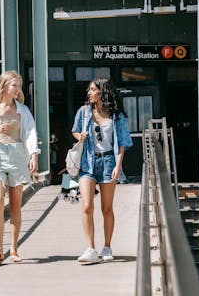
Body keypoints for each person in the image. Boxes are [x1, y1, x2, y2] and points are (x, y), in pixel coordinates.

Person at [0, 70, 40, 265]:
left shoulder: (23, 110)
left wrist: (33, 155)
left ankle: (14, 248)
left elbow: (30, 133)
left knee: (15, 205)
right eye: (14, 85)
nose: (18, 89)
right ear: (4, 86)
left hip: (17, 155)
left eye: (19, 86)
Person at [71, 78, 132, 263]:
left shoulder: (116, 116)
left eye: (92, 90)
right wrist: (79, 136)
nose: (89, 93)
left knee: (107, 208)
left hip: (108, 161)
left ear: (102, 92)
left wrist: (118, 165)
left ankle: (107, 246)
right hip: (87, 162)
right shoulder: (83, 112)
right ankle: (90, 248)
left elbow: (122, 143)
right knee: (87, 206)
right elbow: (74, 130)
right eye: (89, 90)